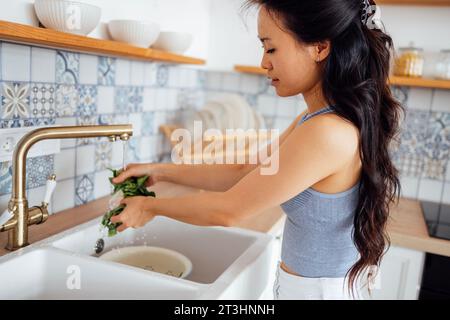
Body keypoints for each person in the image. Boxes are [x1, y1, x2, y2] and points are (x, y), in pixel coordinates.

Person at [110, 0, 403, 300]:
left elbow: (229, 210)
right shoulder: (314, 120)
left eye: (271, 47)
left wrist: (149, 207)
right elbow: (245, 170)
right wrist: (160, 172)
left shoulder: (327, 132)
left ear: (319, 47)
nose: (264, 62)